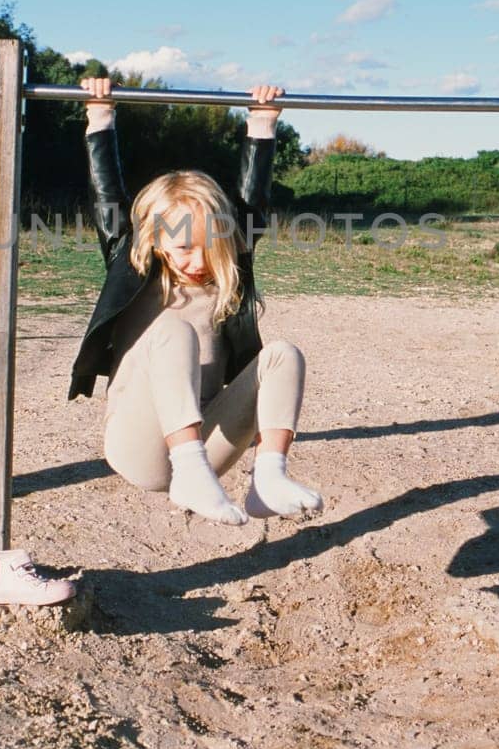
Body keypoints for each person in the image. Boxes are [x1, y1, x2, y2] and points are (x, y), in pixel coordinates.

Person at [66, 76, 323, 526]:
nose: (197, 260)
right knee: (173, 330)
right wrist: (100, 113)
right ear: (157, 241)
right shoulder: (132, 262)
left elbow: (252, 199)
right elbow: (105, 193)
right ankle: (186, 470)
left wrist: (261, 123)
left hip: (208, 448)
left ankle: (268, 478)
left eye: (208, 246)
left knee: (283, 356)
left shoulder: (231, 263)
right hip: (140, 447)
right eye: (183, 247)